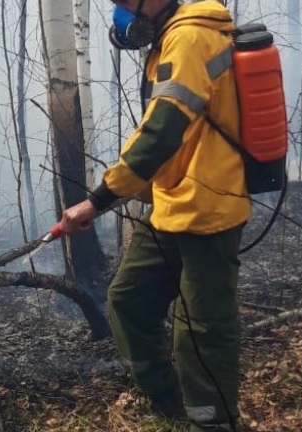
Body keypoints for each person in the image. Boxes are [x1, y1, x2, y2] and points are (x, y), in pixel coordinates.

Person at [59, 1, 250, 431]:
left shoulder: (188, 38)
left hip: (209, 208)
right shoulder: (168, 40)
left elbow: (162, 131)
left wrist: (99, 200)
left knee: (201, 333)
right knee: (128, 300)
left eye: (125, 1)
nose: (119, 12)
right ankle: (168, 407)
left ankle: (212, 423)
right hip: (170, 203)